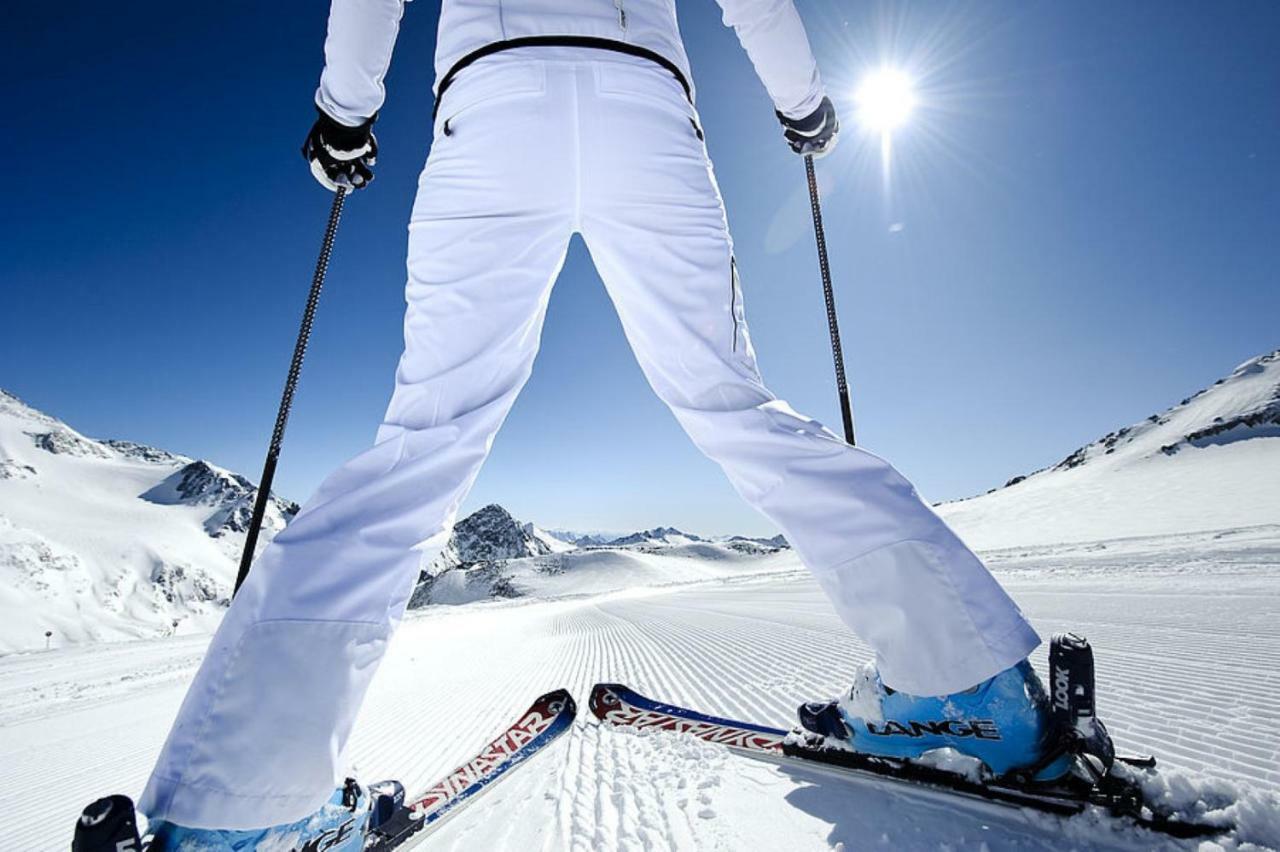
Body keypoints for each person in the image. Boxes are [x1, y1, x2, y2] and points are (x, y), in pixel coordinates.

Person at [140, 0, 1066, 846]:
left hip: (492, 101)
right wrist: (803, 100)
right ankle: (969, 682)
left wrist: (346, 110)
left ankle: (241, 804)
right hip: (646, 108)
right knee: (732, 404)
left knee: (427, 442)